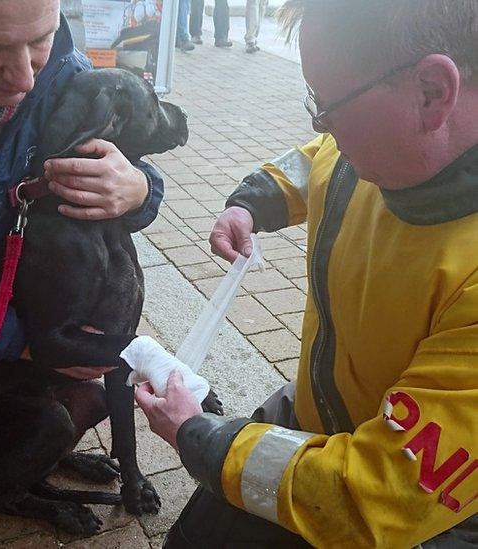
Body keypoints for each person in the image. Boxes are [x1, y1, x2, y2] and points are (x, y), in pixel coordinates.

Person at [135, 0, 478, 547]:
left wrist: (198, 435)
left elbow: (378, 491)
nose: (320, 124)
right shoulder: (387, 147)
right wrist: (257, 200)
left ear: (434, 92)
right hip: (316, 409)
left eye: (328, 103)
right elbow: (320, 158)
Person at [0, 0, 164, 546]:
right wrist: (25, 343)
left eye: (41, 37)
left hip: (31, 314)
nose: (25, 75)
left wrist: (138, 190)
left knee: (85, 397)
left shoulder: (67, 76)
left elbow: (131, 158)